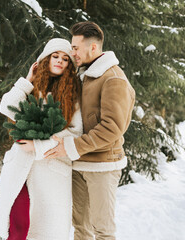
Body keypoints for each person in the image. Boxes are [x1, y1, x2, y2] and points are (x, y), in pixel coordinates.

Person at [44, 22, 136, 240]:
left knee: (102, 230)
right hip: (79, 163)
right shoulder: (82, 75)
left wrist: (69, 147)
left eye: (75, 48)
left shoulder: (112, 78)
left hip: (102, 165)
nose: (72, 52)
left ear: (93, 48)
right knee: (81, 228)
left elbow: (112, 128)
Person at [0, 38, 83, 240]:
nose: (59, 61)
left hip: (51, 168)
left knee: (46, 230)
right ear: (45, 60)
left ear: (69, 65)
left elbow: (75, 132)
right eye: (55, 56)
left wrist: (38, 145)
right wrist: (27, 80)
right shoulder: (33, 88)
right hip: (21, 167)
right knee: (17, 226)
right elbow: (6, 106)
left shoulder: (73, 95)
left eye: (65, 59)